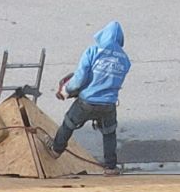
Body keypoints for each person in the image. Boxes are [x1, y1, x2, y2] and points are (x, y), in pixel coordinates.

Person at [50, 22, 129, 163]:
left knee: (68, 124)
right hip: (109, 104)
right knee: (109, 133)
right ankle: (110, 167)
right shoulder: (125, 60)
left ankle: (55, 150)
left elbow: (79, 79)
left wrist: (66, 90)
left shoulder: (93, 52)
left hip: (86, 101)